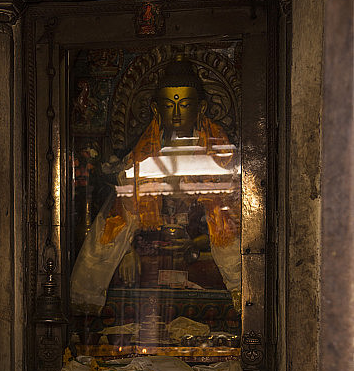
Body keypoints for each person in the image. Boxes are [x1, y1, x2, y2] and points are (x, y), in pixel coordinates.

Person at [70, 55, 241, 315]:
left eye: (184, 105)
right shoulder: (143, 159)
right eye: (168, 105)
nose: (175, 113)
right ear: (155, 109)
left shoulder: (221, 158)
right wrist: (124, 254)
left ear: (201, 108)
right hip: (150, 267)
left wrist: (200, 245)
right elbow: (117, 220)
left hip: (206, 265)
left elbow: (231, 226)